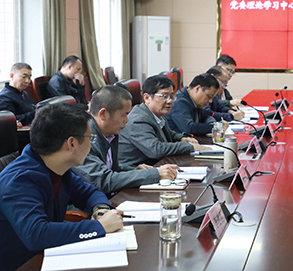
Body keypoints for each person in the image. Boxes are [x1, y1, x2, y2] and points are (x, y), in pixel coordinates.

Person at [0, 103, 124, 271]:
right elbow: (36, 234)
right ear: (71, 143)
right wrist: (100, 226)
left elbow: (90, 192)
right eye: (90, 138)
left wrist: (100, 209)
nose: (91, 144)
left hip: (50, 257)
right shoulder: (20, 181)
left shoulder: (54, 167)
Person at [72, 85, 179, 197]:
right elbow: (103, 181)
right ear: (103, 114)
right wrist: (154, 174)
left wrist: (135, 171)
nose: (127, 120)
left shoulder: (110, 133)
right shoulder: (84, 138)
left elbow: (112, 169)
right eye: (124, 115)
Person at [119, 75, 207, 169]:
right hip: (136, 170)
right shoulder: (138, 120)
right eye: (164, 96)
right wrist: (190, 147)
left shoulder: (156, 114)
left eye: (172, 96)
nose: (169, 101)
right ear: (147, 98)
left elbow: (168, 134)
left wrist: (182, 139)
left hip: (155, 165)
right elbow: (156, 150)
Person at [0, 62, 35, 126]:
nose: (27, 81)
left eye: (29, 77)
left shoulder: (24, 93)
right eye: (24, 77)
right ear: (12, 76)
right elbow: (11, 120)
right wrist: (36, 113)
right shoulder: (4, 97)